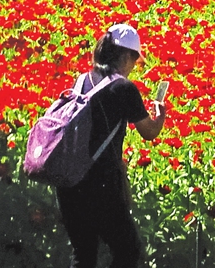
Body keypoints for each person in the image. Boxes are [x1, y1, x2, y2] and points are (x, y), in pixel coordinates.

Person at [56, 23, 169, 268]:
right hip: (101, 185)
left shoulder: (81, 81)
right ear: (127, 55)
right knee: (128, 250)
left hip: (69, 182)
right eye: (135, 59)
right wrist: (160, 115)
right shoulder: (123, 87)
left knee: (83, 254)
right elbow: (149, 132)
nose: (134, 66)